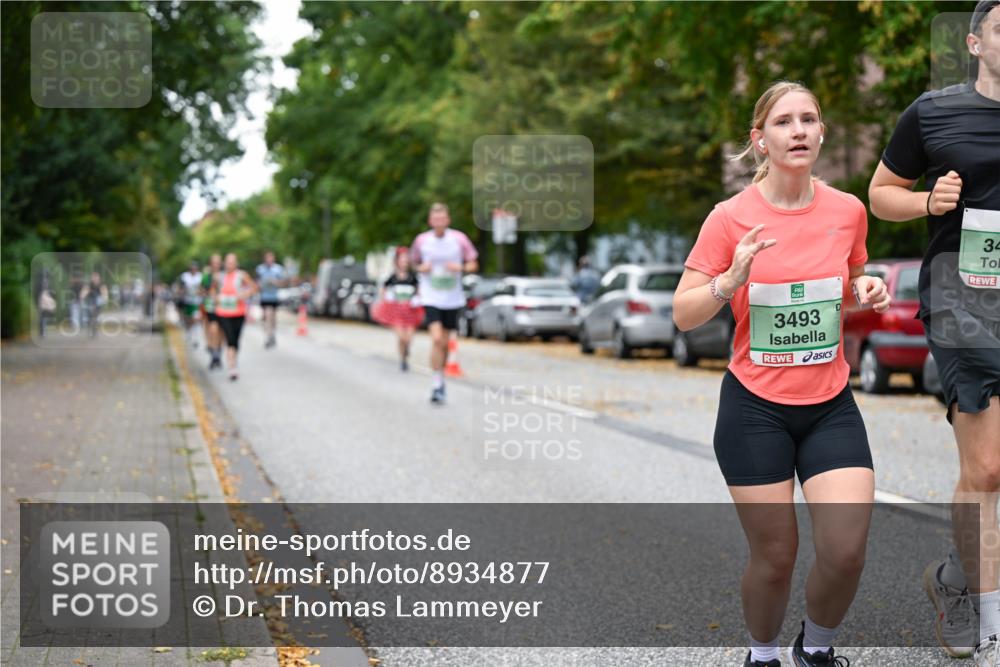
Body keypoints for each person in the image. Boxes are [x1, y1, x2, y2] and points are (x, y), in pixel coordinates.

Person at [673, 81, 890, 667]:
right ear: (760, 140)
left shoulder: (847, 211)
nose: (798, 131)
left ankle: (815, 650)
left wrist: (865, 290)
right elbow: (684, 314)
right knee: (775, 558)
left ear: (821, 133)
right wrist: (730, 280)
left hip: (829, 404)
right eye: (783, 122)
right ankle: (762, 656)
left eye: (808, 119)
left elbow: (848, 285)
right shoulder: (729, 218)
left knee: (845, 551)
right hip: (754, 408)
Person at [868, 2, 1000, 663]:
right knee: (987, 466)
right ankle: (986, 618)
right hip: (962, 300)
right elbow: (880, 192)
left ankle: (955, 572)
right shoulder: (934, 112)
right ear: (975, 43)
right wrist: (926, 200)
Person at [410, 203, 479, 404]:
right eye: (435, 218)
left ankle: (441, 377)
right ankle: (436, 383)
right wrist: (421, 268)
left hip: (452, 297)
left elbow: (473, 263)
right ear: (430, 221)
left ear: (448, 220)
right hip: (430, 296)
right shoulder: (422, 240)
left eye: (442, 218)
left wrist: (461, 267)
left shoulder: (459, 239)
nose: (439, 221)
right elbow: (413, 262)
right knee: (437, 339)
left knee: (446, 342)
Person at [372, 246, 424, 371]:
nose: (404, 263)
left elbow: (419, 292)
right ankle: (403, 359)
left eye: (406, 260)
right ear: (397, 261)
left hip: (410, 311)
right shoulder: (392, 277)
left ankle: (406, 351)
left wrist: (416, 299)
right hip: (396, 311)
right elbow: (383, 290)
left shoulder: (413, 277)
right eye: (402, 260)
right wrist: (387, 298)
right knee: (401, 337)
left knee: (409, 338)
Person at [212, 253, 257, 381]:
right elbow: (212, 290)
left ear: (236, 264)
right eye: (228, 262)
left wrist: (244, 294)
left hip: (239, 312)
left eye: (232, 263)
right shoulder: (218, 276)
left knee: (236, 340)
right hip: (223, 312)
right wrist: (216, 298)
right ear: (224, 263)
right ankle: (232, 366)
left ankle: (234, 361)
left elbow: (253, 288)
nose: (230, 265)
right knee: (229, 338)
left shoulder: (242, 275)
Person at [255, 250, 286, 348]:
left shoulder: (278, 269)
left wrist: (274, 282)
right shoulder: (260, 269)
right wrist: (260, 285)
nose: (269, 260)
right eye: (267, 258)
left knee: (272, 317)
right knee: (266, 316)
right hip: (264, 296)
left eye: (271, 258)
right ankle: (268, 336)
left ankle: (272, 334)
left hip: (274, 296)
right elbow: (257, 282)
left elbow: (283, 283)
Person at [200, 254, 223, 370]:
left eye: (218, 263)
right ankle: (214, 353)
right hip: (210, 305)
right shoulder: (206, 275)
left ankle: (218, 351)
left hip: (223, 306)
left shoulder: (224, 275)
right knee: (213, 328)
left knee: (221, 331)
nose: (216, 265)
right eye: (214, 263)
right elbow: (202, 290)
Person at [177, 261, 202, 347]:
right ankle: (188, 332)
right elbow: (180, 287)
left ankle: (195, 338)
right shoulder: (185, 276)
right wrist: (182, 291)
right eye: (192, 268)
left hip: (197, 302)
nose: (193, 270)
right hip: (187, 301)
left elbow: (203, 288)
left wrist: (200, 292)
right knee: (188, 319)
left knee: (196, 319)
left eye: (195, 268)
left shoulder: (200, 276)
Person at [80, 271, 108, 338]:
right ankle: (91, 328)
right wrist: (82, 296)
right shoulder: (89, 284)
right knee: (90, 316)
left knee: (95, 316)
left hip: (98, 301)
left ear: (99, 278)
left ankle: (94, 330)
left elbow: (104, 292)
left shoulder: (102, 284)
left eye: (96, 277)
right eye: (93, 277)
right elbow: (85, 291)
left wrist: (105, 298)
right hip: (90, 300)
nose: (94, 278)